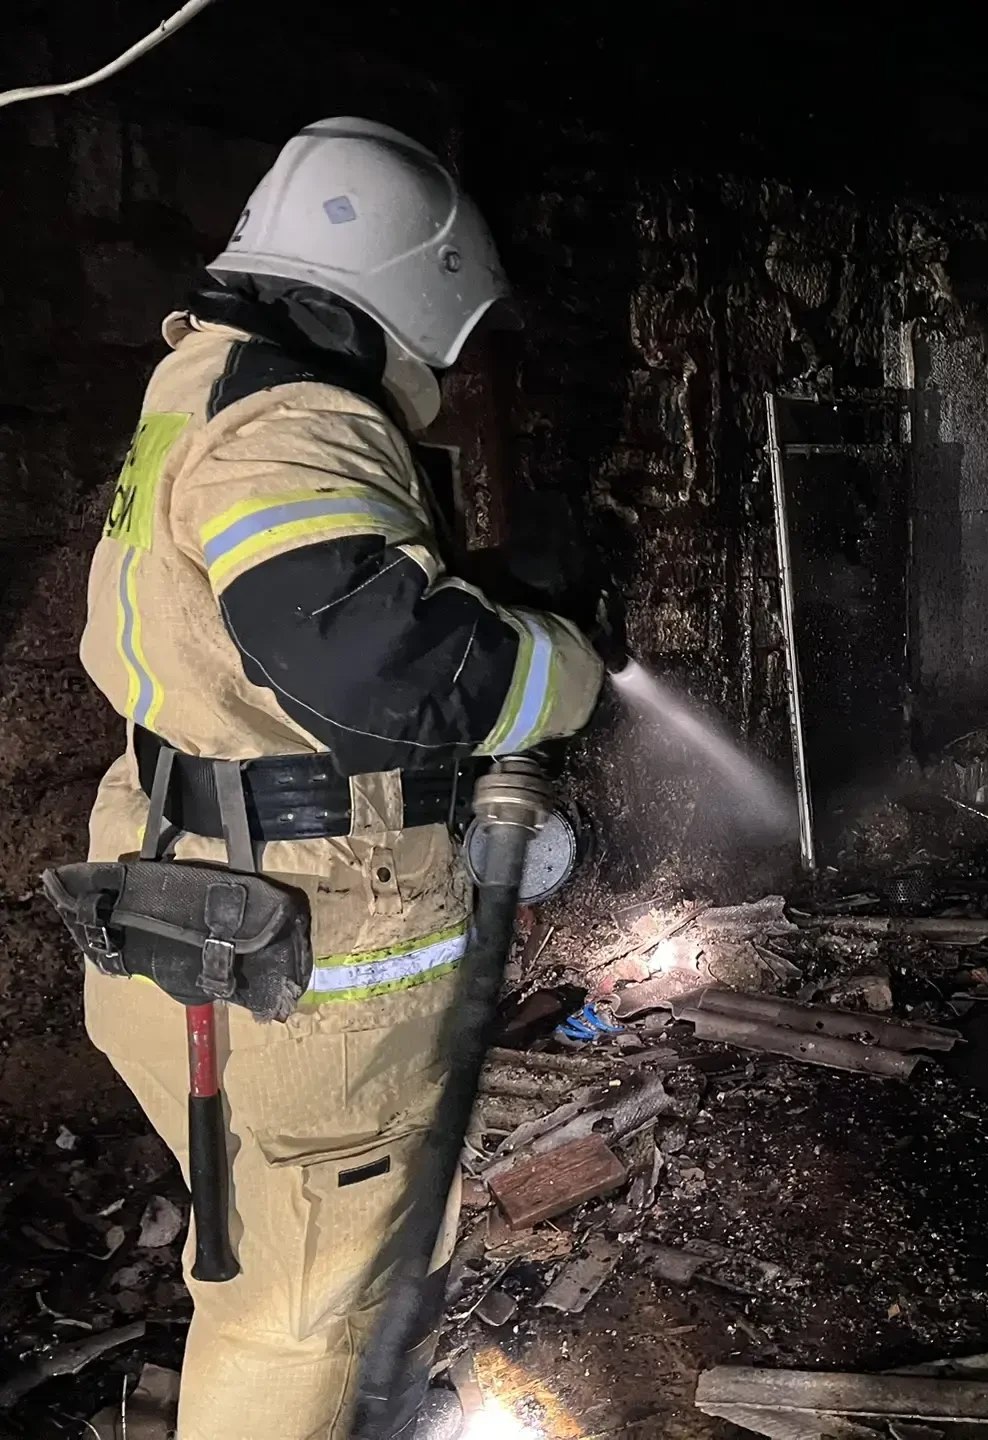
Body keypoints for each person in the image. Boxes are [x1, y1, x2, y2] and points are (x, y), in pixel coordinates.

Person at [76, 117, 604, 1439]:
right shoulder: (298, 418)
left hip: (200, 904)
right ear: (415, 297)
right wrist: (554, 666)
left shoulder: (197, 389)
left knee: (301, 1262)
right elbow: (378, 672)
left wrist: (469, 592)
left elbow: (267, 631)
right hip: (302, 955)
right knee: (301, 1308)